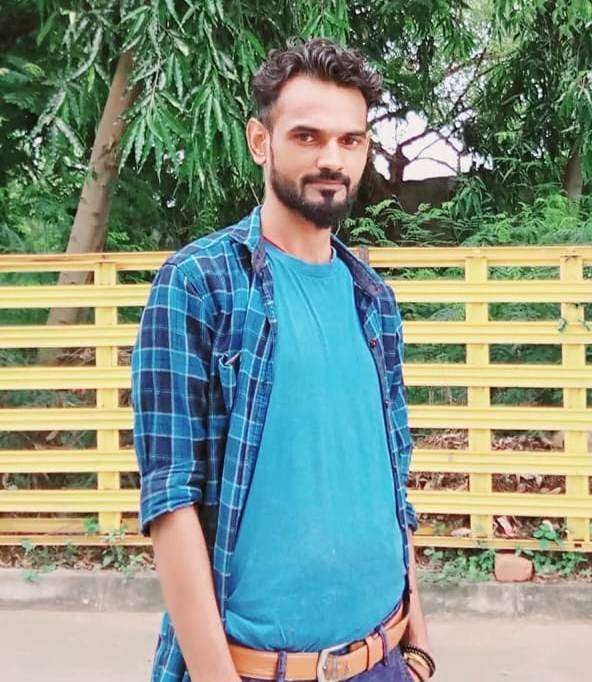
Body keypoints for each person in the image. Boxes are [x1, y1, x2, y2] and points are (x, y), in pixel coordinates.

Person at [132, 37, 434, 682]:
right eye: (307, 136)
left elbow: (392, 481)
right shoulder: (199, 285)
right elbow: (171, 502)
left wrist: (420, 649)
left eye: (350, 140)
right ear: (259, 141)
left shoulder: (373, 300)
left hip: (385, 658)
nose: (332, 159)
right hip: (254, 669)